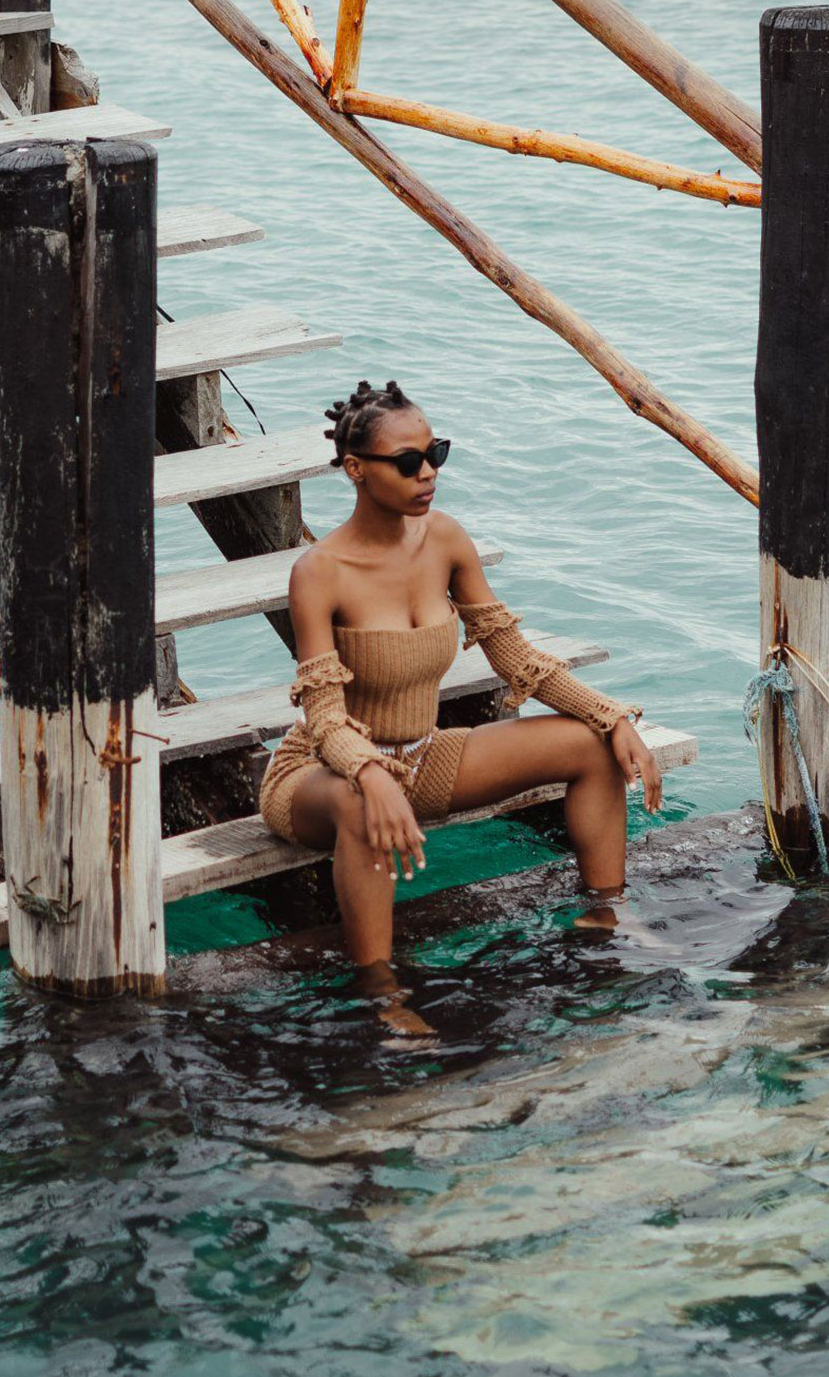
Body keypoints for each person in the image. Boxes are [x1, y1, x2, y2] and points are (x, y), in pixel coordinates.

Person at [257, 378, 662, 1003]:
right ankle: (382, 994)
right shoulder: (319, 572)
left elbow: (514, 656)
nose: (428, 474)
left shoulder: (445, 539)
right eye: (408, 462)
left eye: (435, 454)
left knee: (590, 744)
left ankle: (608, 915)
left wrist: (611, 717)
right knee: (362, 803)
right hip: (322, 775)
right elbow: (325, 716)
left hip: (424, 758)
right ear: (356, 469)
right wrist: (370, 773)